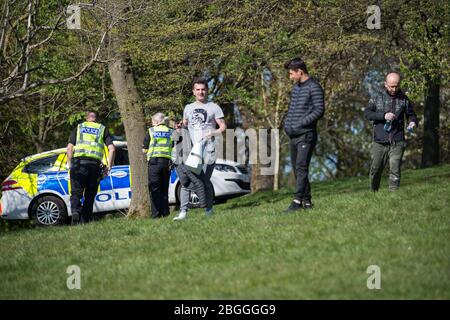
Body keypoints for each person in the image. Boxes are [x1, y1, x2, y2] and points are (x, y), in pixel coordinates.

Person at [173, 77, 226, 221]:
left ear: (207, 91)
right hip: (191, 150)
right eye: (198, 89)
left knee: (205, 181)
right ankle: (183, 212)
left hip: (209, 149)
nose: (201, 92)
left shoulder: (214, 107)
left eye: (203, 89)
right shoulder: (188, 108)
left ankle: (209, 211)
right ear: (193, 91)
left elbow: (222, 126)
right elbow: (184, 125)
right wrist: (179, 127)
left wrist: (213, 133)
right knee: (186, 181)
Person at [364, 72, 418, 191]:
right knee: (376, 169)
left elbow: (411, 115)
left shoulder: (404, 99)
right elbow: (367, 113)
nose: (394, 89)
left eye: (397, 86)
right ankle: (373, 192)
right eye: (391, 86)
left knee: (395, 168)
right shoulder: (376, 97)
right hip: (380, 141)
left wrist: (412, 122)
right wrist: (384, 116)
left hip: (397, 140)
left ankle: (393, 194)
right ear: (385, 84)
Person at [283, 57, 325, 211]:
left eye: (291, 73)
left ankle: (297, 201)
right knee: (297, 169)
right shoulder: (296, 88)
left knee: (301, 167)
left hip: (306, 135)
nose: (290, 77)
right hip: (293, 135)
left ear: (300, 72)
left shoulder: (314, 87)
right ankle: (307, 201)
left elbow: (319, 110)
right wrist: (288, 124)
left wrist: (301, 123)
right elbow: (292, 110)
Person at [67, 111, 115, 224]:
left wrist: (70, 163)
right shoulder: (102, 129)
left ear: (86, 118)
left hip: (78, 164)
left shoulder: (79, 127)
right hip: (94, 166)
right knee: (90, 196)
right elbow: (112, 149)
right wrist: (109, 166)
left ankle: (75, 211)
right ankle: (84, 221)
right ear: (96, 119)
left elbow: (69, 148)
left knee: (75, 193)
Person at [142, 113, 173, 218]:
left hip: (154, 163)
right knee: (164, 188)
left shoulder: (151, 131)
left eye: (152, 122)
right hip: (167, 163)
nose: (152, 123)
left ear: (156, 121)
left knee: (154, 188)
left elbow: (144, 149)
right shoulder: (170, 131)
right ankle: (165, 213)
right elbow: (174, 144)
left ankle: (156, 214)